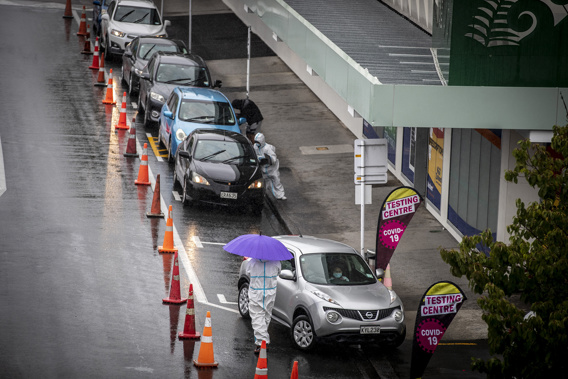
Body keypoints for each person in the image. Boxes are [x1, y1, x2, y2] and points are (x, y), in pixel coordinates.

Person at [246, 258, 281, 354]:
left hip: (256, 292)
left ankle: (261, 344)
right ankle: (262, 340)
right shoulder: (276, 261)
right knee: (266, 317)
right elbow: (279, 272)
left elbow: (248, 273)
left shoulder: (252, 262)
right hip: (270, 292)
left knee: (257, 317)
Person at [253, 133, 286, 200]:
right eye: (256, 142)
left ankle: (280, 195)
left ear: (262, 141)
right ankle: (262, 195)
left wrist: (267, 159)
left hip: (271, 169)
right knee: (264, 183)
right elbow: (254, 155)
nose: (257, 144)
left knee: (276, 181)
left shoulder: (268, 148)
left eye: (258, 142)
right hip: (263, 169)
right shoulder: (255, 146)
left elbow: (273, 158)